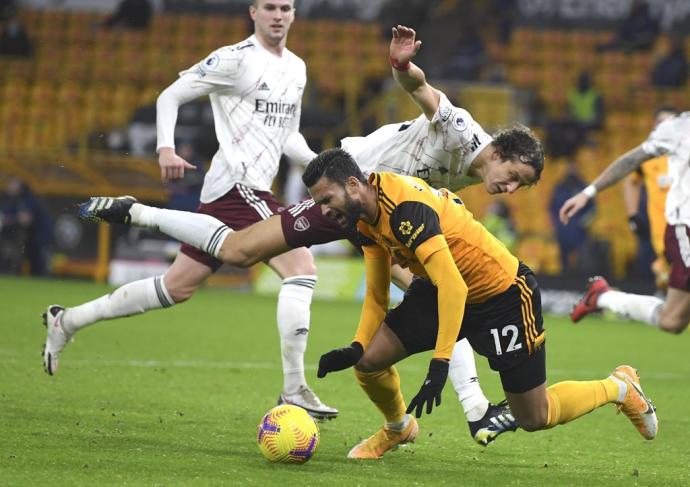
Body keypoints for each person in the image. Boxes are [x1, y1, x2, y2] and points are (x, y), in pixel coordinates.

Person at [74, 25, 544, 445]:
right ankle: (139, 213)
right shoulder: (464, 131)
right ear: (499, 150)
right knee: (240, 250)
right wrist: (401, 65)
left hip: (384, 215)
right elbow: (421, 90)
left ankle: (437, 417)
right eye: (513, 174)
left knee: (438, 289)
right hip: (352, 190)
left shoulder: (467, 177)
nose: (511, 187)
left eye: (521, 185)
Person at [42, 0, 338, 420]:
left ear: (294, 14)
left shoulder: (297, 68)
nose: (278, 14)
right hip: (239, 188)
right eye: (269, 6)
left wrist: (322, 167)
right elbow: (171, 95)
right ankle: (294, 389)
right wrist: (166, 147)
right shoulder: (235, 60)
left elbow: (288, 136)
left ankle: (66, 321)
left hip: (238, 193)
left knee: (176, 287)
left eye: (286, 7)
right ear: (253, 12)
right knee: (302, 268)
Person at [303, 149, 656, 459]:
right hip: (440, 287)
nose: (322, 210)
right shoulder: (364, 220)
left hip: (501, 295)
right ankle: (398, 427)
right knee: (368, 362)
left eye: (325, 199)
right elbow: (378, 293)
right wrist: (357, 345)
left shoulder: (403, 209)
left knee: (535, 416)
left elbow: (454, 286)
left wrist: (440, 364)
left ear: (352, 185)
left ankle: (619, 387)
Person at [560, 110, 690, 334]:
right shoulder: (679, 128)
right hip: (685, 229)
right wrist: (587, 193)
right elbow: (631, 160)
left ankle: (604, 297)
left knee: (672, 321)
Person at [623, 108, 676, 287]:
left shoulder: (684, 154)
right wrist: (633, 214)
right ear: (654, 127)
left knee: (672, 287)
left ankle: (604, 298)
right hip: (658, 232)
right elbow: (631, 181)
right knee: (667, 285)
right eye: (661, 122)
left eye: (670, 123)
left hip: (683, 229)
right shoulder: (647, 155)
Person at [548, 162, 595, 274]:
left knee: (582, 260)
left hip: (580, 232)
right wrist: (556, 223)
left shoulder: (584, 188)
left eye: (574, 169)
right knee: (563, 260)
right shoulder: (559, 187)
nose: (571, 172)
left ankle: (581, 281)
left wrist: (583, 223)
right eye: (569, 169)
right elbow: (552, 207)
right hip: (563, 229)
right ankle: (564, 281)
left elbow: (592, 209)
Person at [0, 177, 52, 275]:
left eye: (12, 183)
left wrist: (9, 219)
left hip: (39, 236)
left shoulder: (28, 198)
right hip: (29, 237)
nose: (8, 186)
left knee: (38, 264)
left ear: (19, 184)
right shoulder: (12, 199)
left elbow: (26, 219)